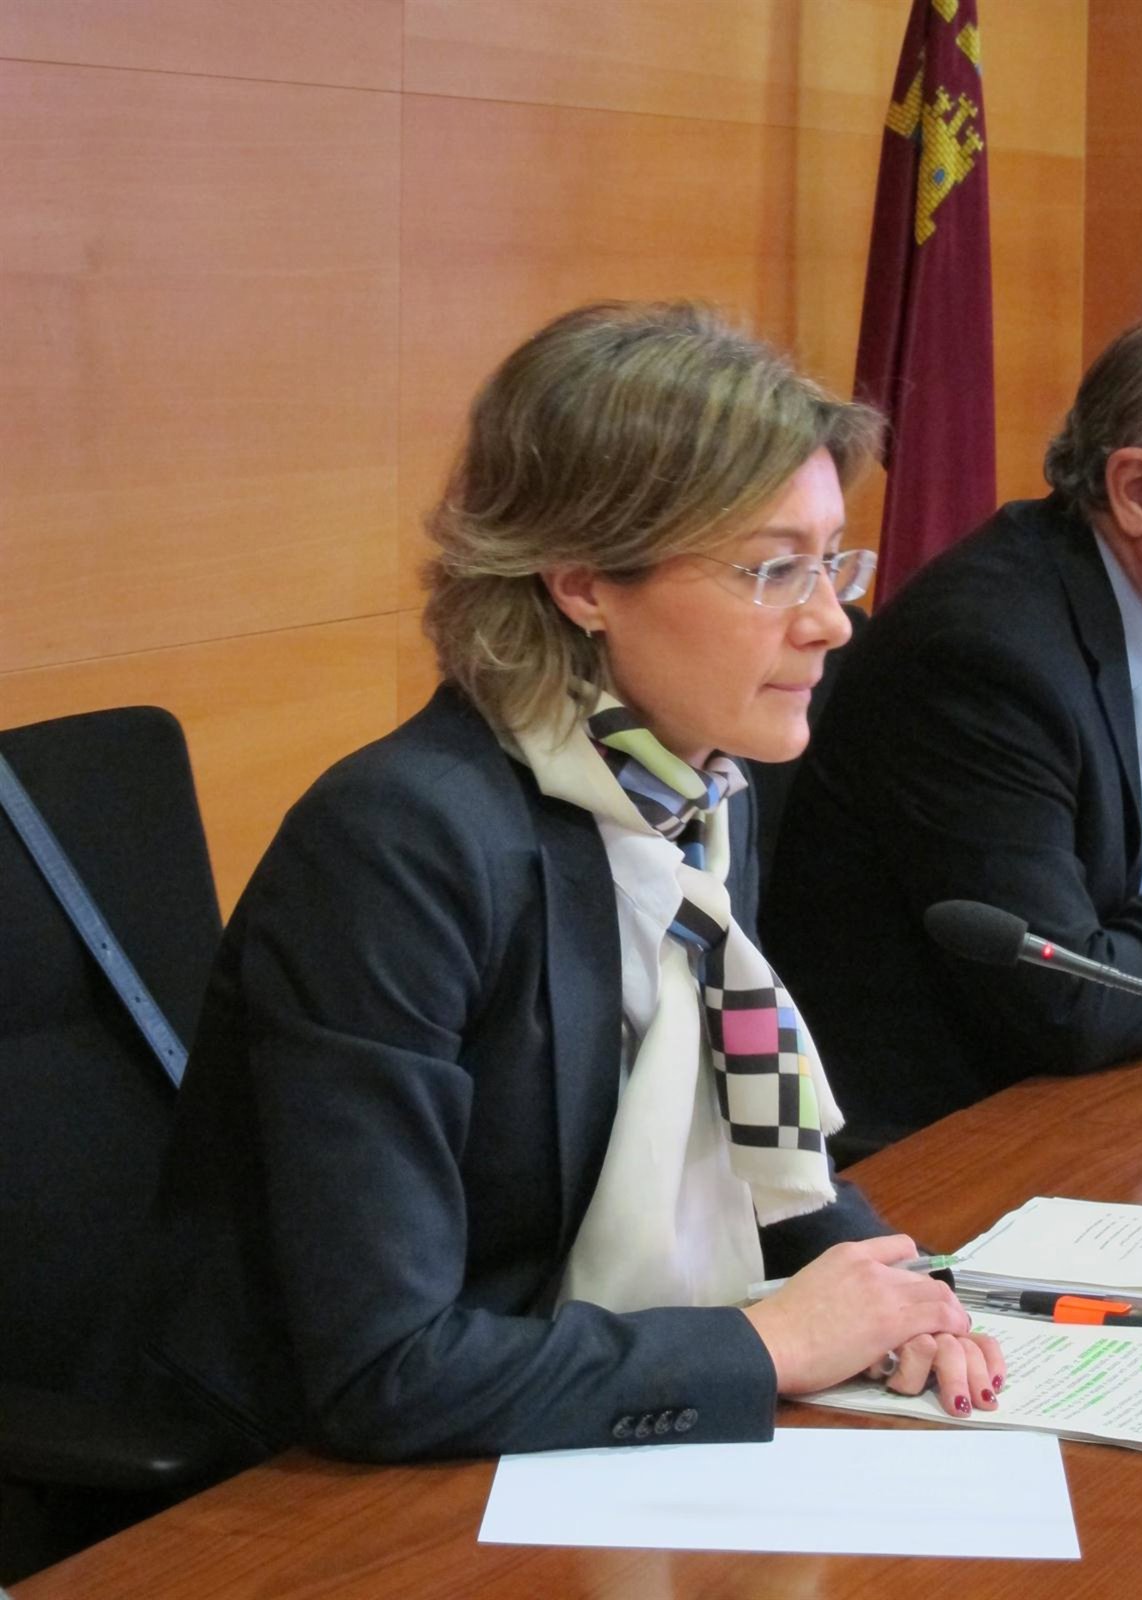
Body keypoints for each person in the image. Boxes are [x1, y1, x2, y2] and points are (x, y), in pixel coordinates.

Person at [133, 301, 1002, 1475]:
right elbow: (383, 1368)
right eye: (771, 569)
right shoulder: (401, 847)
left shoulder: (695, 791)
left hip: (559, 1422)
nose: (831, 621)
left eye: (832, 558)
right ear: (584, 582)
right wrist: (768, 1344)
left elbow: (751, 1136)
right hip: (308, 1492)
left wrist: (894, 1293)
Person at [761, 304, 1142, 1151]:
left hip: (1102, 1098)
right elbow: (1068, 998)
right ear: (1138, 489)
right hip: (932, 1149)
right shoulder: (986, 655)